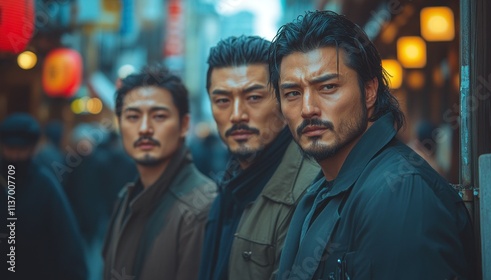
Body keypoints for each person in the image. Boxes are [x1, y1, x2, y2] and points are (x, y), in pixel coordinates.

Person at [268, 10, 475, 280]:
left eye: (328, 87)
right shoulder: (325, 187)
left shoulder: (400, 192)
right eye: (293, 93)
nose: (308, 108)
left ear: (369, 91)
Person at [198, 35, 320, 280]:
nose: (237, 115)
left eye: (253, 97)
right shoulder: (231, 185)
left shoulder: (310, 190)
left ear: (283, 100)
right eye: (222, 100)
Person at [102, 65, 217, 280]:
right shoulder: (125, 198)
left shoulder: (202, 207)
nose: (145, 128)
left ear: (184, 125)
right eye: (133, 117)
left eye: (159, 116)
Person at [0, 113, 88, 280]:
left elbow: (67, 243)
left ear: (33, 149)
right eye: (11, 149)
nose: (15, 156)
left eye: (21, 150)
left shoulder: (45, 185)